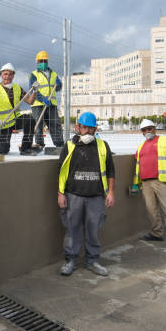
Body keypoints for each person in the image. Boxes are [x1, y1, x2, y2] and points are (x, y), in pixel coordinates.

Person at [57, 112, 116, 276]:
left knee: (93, 231)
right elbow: (61, 172)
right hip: (73, 195)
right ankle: (70, 260)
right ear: (78, 128)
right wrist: (61, 194)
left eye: (91, 128)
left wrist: (111, 192)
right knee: (72, 230)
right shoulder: (69, 146)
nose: (88, 131)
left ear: (95, 129)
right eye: (85, 128)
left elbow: (111, 171)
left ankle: (92, 261)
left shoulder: (103, 146)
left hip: (96, 196)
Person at [130, 119, 166, 253]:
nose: (147, 131)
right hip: (146, 183)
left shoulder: (165, 140)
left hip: (163, 181)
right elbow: (138, 167)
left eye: (149, 128)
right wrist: (135, 184)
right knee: (152, 211)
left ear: (154, 129)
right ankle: (157, 234)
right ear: (142, 132)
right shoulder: (141, 147)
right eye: (144, 130)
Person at [0, 63, 39, 156]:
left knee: (29, 120)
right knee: (3, 151)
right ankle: (4, 146)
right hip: (2, 124)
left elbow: (30, 101)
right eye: (5, 74)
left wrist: (35, 91)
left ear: (13, 76)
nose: (8, 76)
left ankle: (25, 149)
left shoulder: (17, 88)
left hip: (15, 119)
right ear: (1, 75)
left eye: (10, 74)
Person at [29, 51, 64, 152]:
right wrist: (42, 99)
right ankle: (39, 145)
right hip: (38, 104)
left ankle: (59, 145)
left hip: (51, 104)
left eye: (44, 61)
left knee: (55, 124)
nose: (43, 62)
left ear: (47, 61)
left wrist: (59, 84)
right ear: (37, 62)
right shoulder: (34, 74)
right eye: (41, 61)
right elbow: (33, 89)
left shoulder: (53, 74)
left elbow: (58, 88)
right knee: (38, 125)